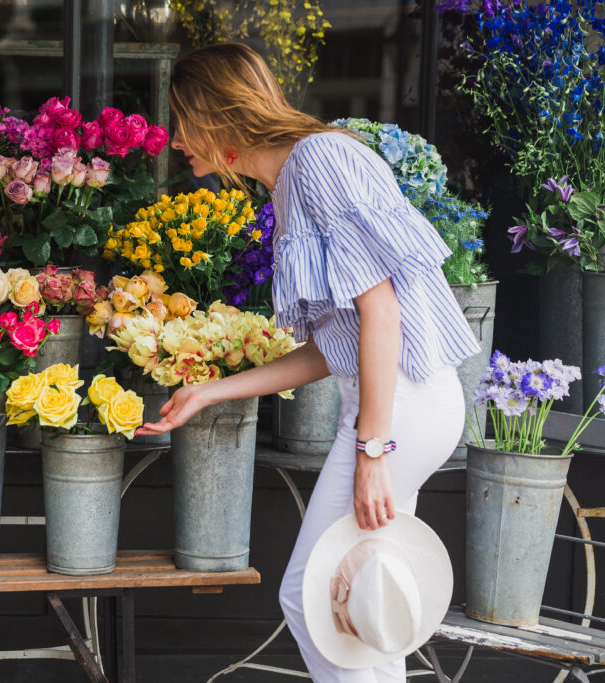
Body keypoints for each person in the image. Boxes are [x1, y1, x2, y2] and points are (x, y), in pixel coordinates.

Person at [135, 42, 480, 682]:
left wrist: (374, 451)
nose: (174, 138)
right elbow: (337, 346)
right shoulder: (293, 181)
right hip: (391, 402)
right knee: (361, 602)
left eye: (181, 119)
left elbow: (382, 312)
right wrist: (213, 390)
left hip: (399, 404)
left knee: (315, 597)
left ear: (217, 114)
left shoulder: (319, 162)